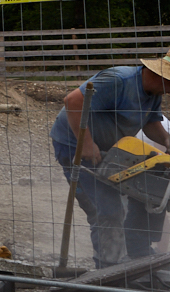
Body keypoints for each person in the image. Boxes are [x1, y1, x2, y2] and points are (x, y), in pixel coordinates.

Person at [50, 49, 170, 268]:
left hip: (109, 149)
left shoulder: (153, 93)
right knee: (105, 209)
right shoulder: (118, 80)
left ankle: (137, 254)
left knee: (145, 193)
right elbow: (73, 101)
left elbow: (151, 122)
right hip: (73, 145)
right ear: (162, 76)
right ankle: (108, 269)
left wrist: (167, 139)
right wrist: (85, 144)